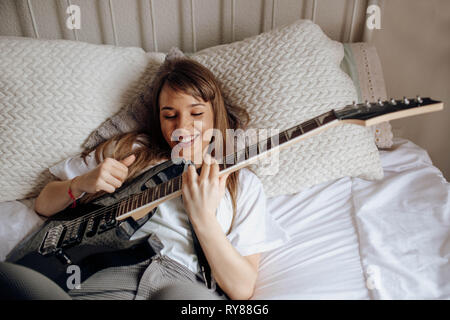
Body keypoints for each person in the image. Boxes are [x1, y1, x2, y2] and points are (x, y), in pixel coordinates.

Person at [0, 52, 288, 300]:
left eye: (196, 113)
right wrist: (80, 184)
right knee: (9, 278)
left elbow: (242, 287)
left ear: (216, 113)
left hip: (181, 279)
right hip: (106, 269)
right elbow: (43, 205)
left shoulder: (242, 183)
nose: (182, 126)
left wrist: (204, 219)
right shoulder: (132, 151)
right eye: (169, 115)